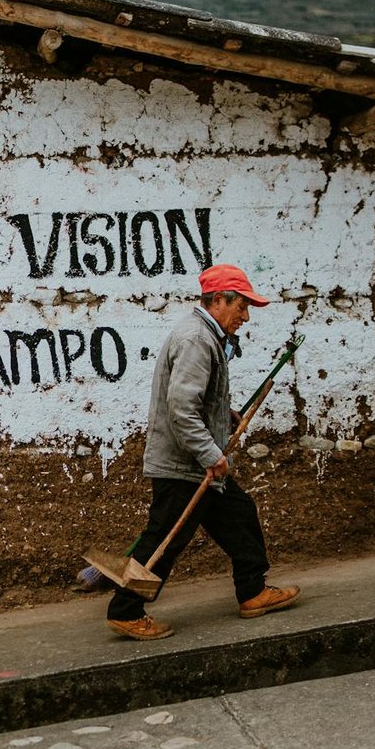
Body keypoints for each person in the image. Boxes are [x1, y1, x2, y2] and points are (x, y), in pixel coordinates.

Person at [106, 263, 300, 640]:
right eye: (241, 306)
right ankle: (125, 610)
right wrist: (211, 454)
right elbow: (181, 408)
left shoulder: (204, 335)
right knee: (164, 539)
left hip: (193, 462)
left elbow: (192, 400)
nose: (245, 317)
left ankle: (253, 591)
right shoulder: (197, 339)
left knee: (239, 514)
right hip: (185, 464)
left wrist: (221, 413)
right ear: (218, 301)